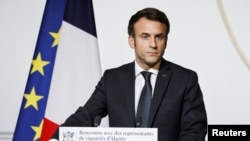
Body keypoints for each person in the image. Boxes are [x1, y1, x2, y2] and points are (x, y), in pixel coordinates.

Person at [51, 7, 207, 141]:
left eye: (159, 37)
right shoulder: (112, 79)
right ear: (132, 41)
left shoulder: (185, 80)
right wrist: (56, 138)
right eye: (145, 37)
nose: (153, 44)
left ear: (166, 41)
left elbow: (194, 132)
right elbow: (86, 116)